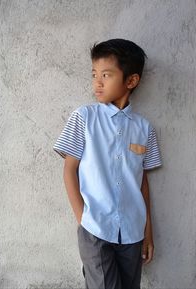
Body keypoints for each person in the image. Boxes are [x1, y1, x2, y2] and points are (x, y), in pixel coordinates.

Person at [53, 39, 162, 289]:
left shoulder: (144, 128)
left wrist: (148, 233)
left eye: (106, 75)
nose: (97, 82)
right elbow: (70, 169)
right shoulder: (84, 117)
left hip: (133, 232)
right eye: (94, 74)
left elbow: (142, 182)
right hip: (95, 228)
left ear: (131, 81)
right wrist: (84, 219)